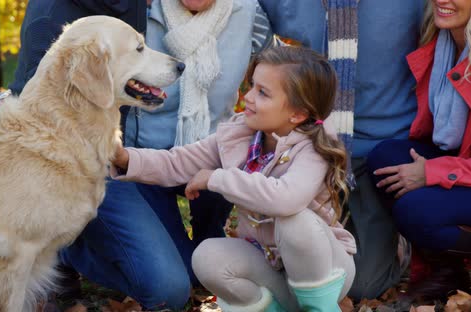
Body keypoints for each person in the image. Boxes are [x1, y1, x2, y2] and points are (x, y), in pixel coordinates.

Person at [60, 0, 277, 303]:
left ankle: (207, 233)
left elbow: (276, 77)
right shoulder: (135, 12)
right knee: (176, 286)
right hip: (143, 162)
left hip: (213, 159)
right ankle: (68, 250)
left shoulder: (250, 13)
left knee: (206, 270)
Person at [111, 45, 357, 311]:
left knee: (294, 222)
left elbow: (286, 199)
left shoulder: (313, 147)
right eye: (252, 85)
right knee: (207, 256)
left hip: (326, 269)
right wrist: (124, 158)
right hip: (271, 265)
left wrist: (216, 178)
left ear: (297, 114)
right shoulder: (240, 133)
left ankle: (321, 308)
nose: (249, 97)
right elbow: (177, 161)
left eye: (263, 93)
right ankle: (281, 308)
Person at [0, 1, 194, 311]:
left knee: (181, 282)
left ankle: (70, 246)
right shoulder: (48, 15)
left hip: (117, 159)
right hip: (56, 170)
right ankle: (57, 247)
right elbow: (31, 114)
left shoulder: (135, 5)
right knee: (169, 289)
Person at [257, 0, 425, 300]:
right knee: (297, 271)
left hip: (380, 151)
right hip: (308, 146)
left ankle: (401, 243)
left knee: (361, 286)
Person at [367, 0, 471, 302]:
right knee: (387, 160)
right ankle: (446, 273)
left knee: (417, 209)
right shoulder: (442, 45)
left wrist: (432, 172)